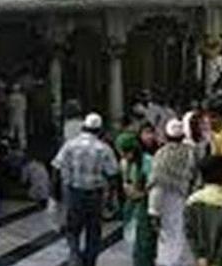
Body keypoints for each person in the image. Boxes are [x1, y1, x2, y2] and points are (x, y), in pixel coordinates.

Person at [51, 113, 119, 266]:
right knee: (93, 232)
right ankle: (89, 262)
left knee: (72, 229)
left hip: (74, 193)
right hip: (95, 196)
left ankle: (75, 257)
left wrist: (54, 193)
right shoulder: (104, 148)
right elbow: (113, 175)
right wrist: (111, 198)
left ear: (83, 128)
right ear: (99, 130)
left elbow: (56, 167)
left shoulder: (70, 145)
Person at [148, 119, 197, 266]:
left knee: (166, 236)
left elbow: (157, 184)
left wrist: (153, 210)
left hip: (164, 200)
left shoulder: (161, 155)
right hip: (184, 197)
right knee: (181, 234)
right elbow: (195, 177)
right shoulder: (191, 153)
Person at [115, 132, 156, 266]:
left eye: (126, 152)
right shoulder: (124, 163)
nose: (124, 156)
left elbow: (154, 187)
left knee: (145, 244)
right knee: (133, 243)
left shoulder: (148, 162)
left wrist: (141, 194)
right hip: (132, 207)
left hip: (146, 208)